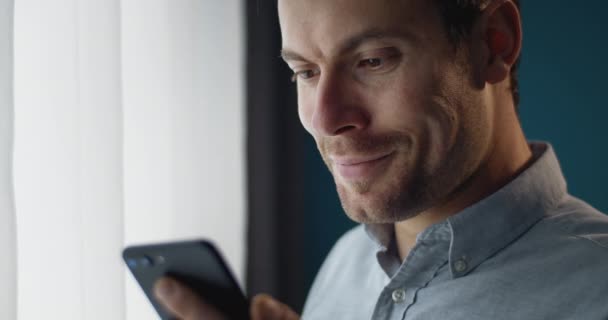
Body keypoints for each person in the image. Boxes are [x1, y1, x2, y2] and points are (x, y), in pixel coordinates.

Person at [153, 0, 608, 319]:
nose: (325, 119)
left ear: (493, 43)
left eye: (372, 61)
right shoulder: (345, 264)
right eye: (305, 72)